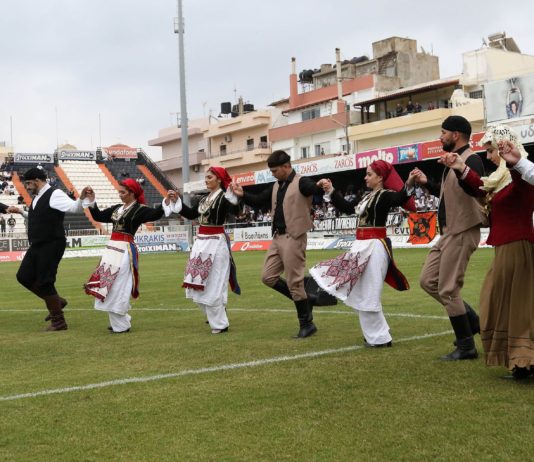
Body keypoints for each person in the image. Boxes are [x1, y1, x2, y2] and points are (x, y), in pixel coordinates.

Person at [442, 124, 534, 379]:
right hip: (508, 247)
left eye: (491, 150)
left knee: (515, 305)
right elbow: (481, 188)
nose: (489, 156)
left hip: (516, 247)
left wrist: (514, 163)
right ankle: (521, 360)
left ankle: (523, 361)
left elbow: (520, 185)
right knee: (507, 303)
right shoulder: (501, 180)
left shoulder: (518, 176)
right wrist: (460, 167)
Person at [310, 161, 417, 347]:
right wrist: (331, 190)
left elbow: (400, 198)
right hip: (361, 245)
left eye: (369, 174)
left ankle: (379, 338)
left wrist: (409, 183)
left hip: (374, 246)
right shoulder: (367, 196)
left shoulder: (384, 195)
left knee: (368, 292)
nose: (365, 178)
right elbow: (347, 207)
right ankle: (377, 336)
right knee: (361, 291)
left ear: (380, 177)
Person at [413, 115, 487, 361]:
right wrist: (427, 183)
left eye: (443, 132)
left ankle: (466, 346)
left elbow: (474, 189)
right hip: (449, 232)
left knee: (448, 289)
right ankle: (472, 322)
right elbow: (449, 195)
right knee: (427, 281)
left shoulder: (471, 160)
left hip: (463, 230)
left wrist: (459, 168)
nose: (440, 137)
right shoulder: (453, 161)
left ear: (456, 135)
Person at [230, 150, 325, 338]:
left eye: (274, 171)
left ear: (286, 166)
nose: (272, 174)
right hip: (277, 237)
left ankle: (307, 324)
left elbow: (314, 189)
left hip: (294, 237)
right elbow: (258, 201)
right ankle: (307, 300)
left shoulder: (301, 182)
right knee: (267, 277)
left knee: (294, 282)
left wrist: (319, 185)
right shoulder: (275, 186)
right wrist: (243, 194)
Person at [83, 179, 175, 333]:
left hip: (125, 251)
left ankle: (121, 324)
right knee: (107, 284)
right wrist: (92, 201)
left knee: (118, 285)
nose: (120, 195)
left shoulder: (139, 209)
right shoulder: (117, 209)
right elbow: (98, 216)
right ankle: (121, 321)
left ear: (132, 193)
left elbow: (156, 214)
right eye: (119, 191)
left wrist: (165, 201)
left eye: (123, 192)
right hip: (111, 250)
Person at [10, 167, 86, 331]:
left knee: (45, 281)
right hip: (38, 244)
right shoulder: (38, 197)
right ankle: (57, 301)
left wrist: (83, 199)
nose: (27, 187)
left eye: (28, 183)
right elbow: (37, 217)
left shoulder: (55, 194)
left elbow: (75, 208)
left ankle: (59, 322)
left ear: (37, 181)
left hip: (51, 244)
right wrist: (21, 212)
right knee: (23, 276)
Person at [169, 167, 241, 334]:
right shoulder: (203, 199)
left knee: (214, 283)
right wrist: (177, 200)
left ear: (219, 179)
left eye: (209, 177)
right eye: (206, 177)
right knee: (196, 281)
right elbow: (191, 214)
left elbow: (235, 211)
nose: (206, 180)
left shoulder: (224, 197)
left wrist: (235, 196)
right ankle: (215, 315)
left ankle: (220, 323)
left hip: (216, 242)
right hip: (201, 243)